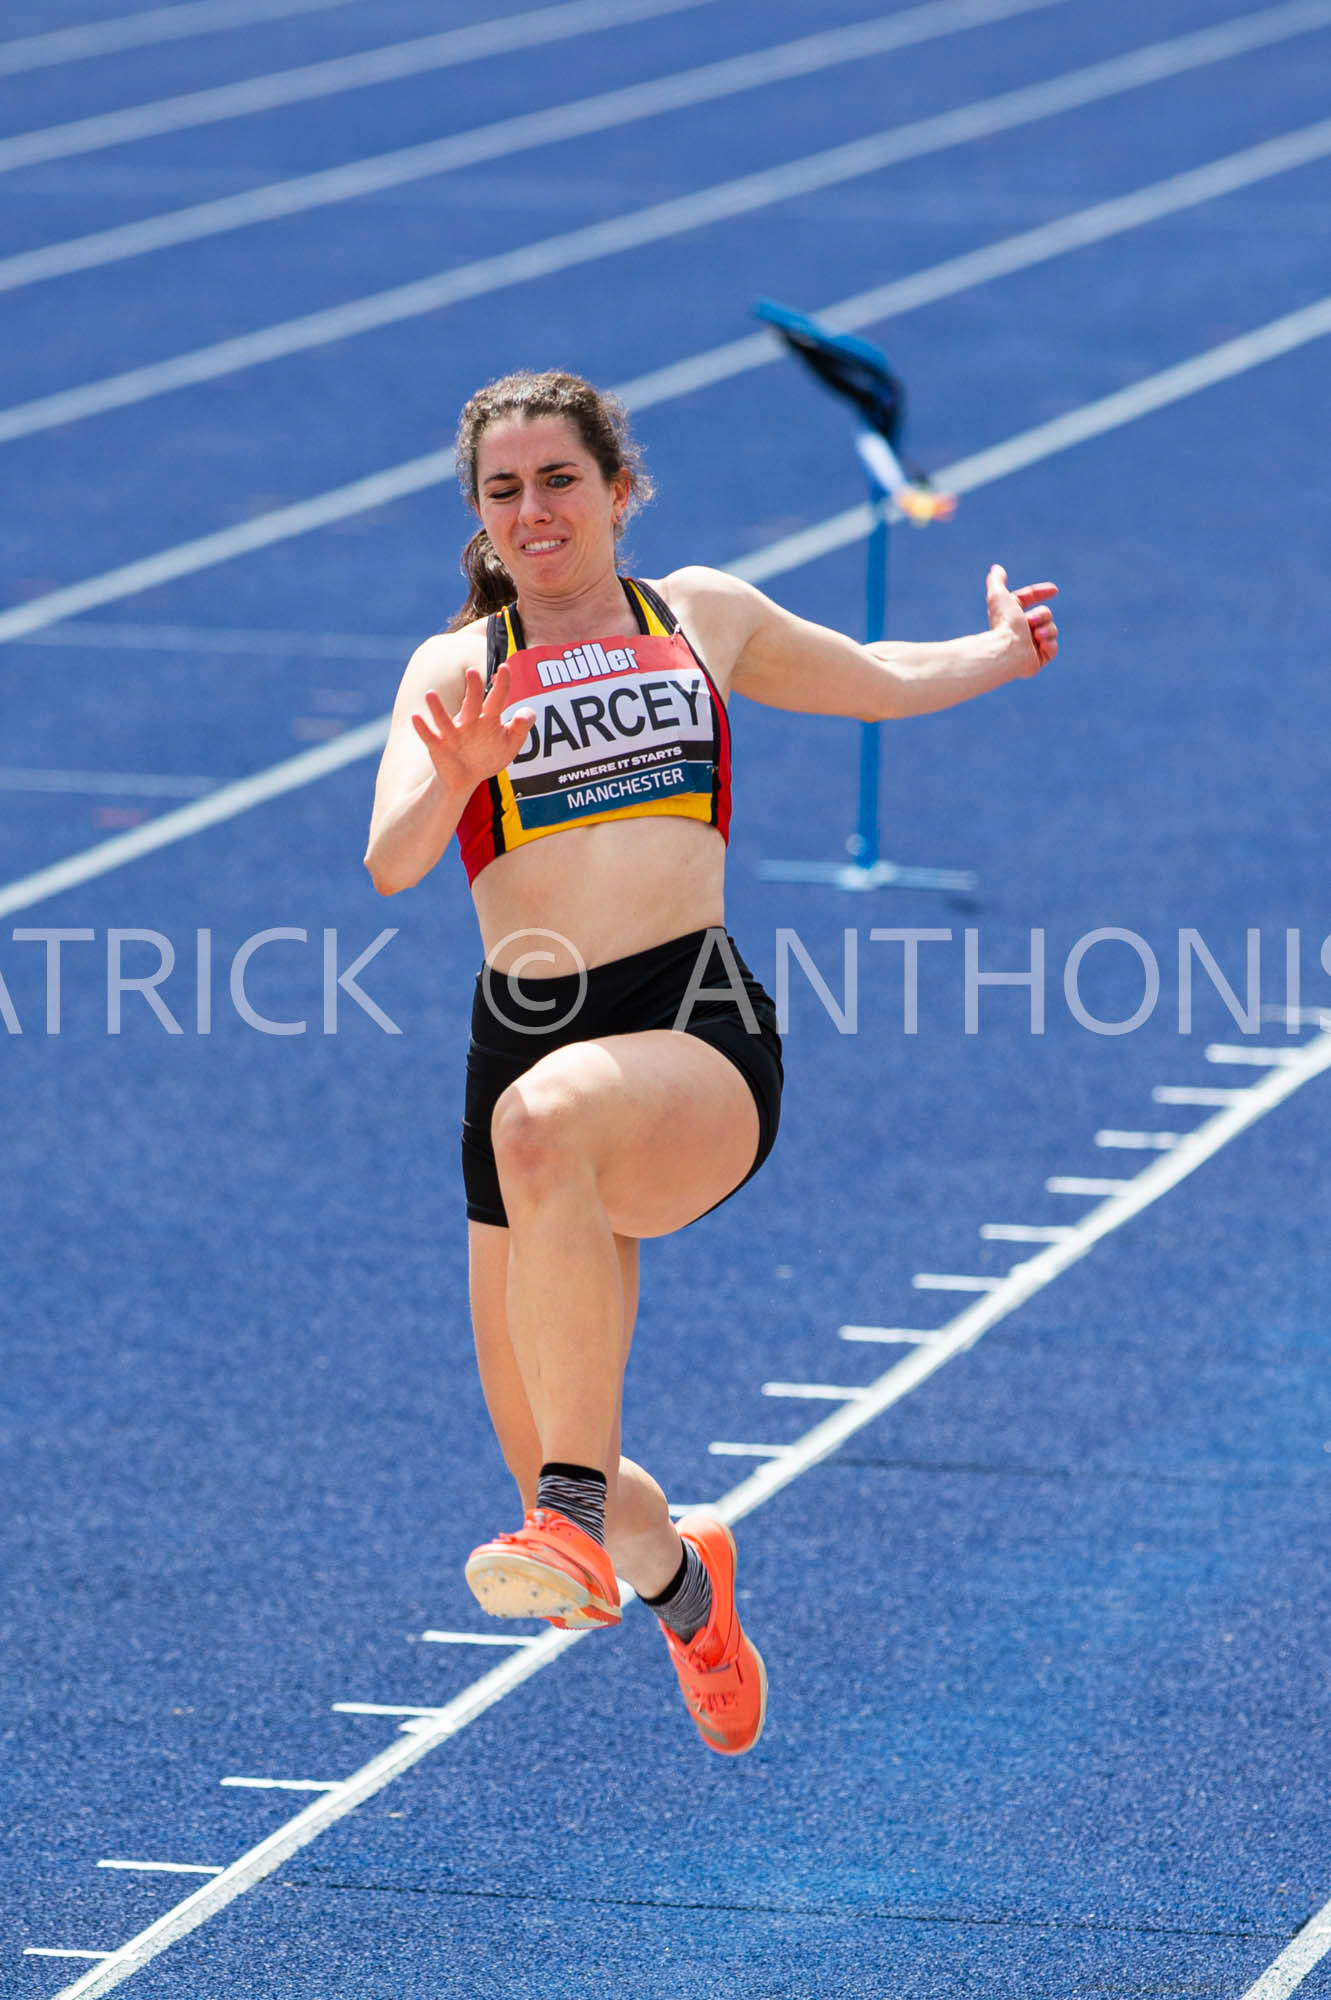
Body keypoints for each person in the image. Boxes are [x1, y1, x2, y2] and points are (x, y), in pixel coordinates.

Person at [364, 369, 1058, 1757]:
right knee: (554, 1429)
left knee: (546, 1135)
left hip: (690, 1028)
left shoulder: (699, 615)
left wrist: (997, 654)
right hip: (524, 1039)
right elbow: (387, 861)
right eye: (504, 490)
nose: (533, 510)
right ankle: (684, 1585)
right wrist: (462, 773)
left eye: (558, 480)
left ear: (618, 493)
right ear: (481, 517)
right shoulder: (457, 672)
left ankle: (563, 1526)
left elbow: (871, 680)